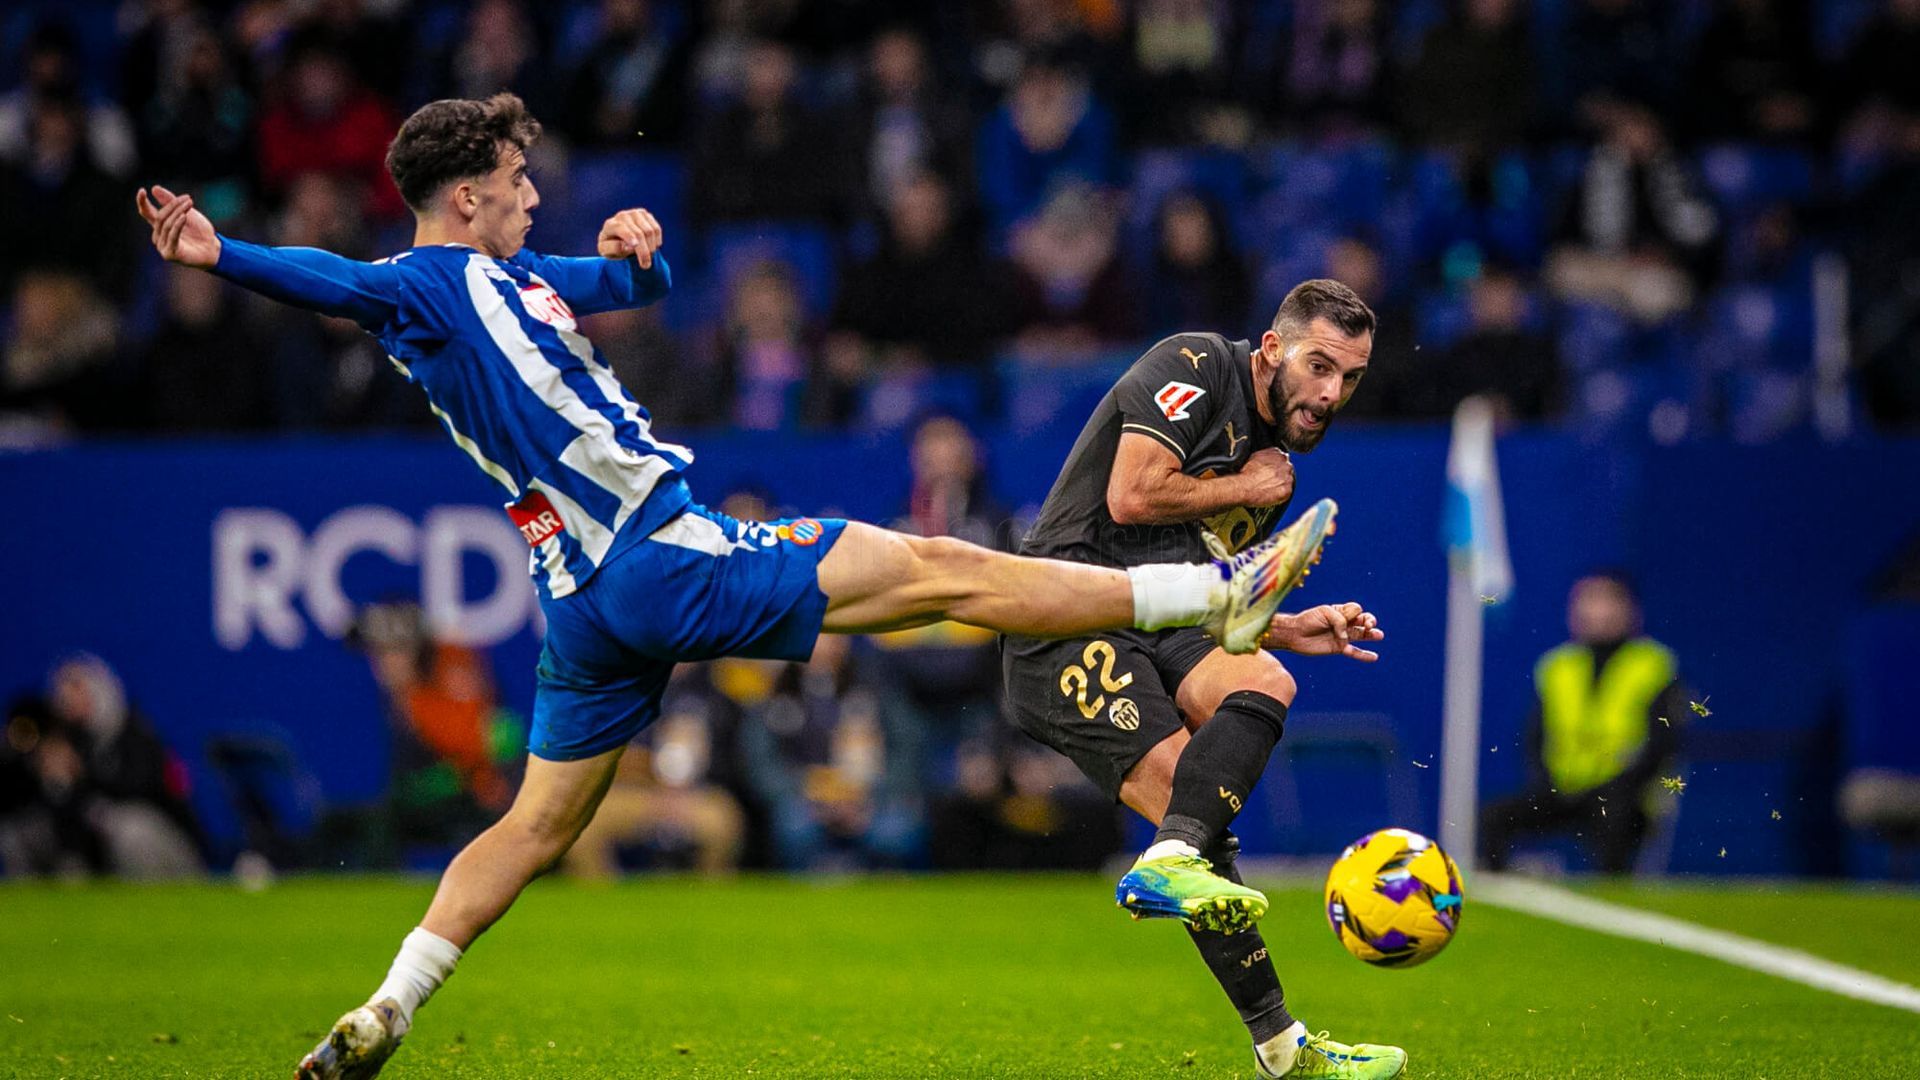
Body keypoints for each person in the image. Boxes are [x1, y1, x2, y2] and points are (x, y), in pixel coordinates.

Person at [134, 91, 1329, 1079]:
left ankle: (388, 1005)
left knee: (537, 825)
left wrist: (637, 253)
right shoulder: (428, 284)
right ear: (464, 199)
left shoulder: (514, 277)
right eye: (515, 180)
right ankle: (1208, 597)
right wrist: (220, 253)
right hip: (658, 551)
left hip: (581, 604)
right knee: (945, 571)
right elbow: (332, 279)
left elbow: (621, 286)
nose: (533, 194)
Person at [1002, 279, 1406, 1079]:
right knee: (1190, 816)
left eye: (1350, 378)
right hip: (1066, 616)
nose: (1331, 393)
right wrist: (1249, 487)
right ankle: (1279, 1039)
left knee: (1264, 692)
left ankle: (1275, 1040)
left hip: (1157, 616)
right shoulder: (1193, 365)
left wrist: (1290, 625)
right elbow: (1131, 495)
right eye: (1319, 366)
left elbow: (1206, 591)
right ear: (1272, 350)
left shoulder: (1274, 466)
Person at [1478, 572, 1689, 874]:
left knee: (1614, 816)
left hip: (1624, 794)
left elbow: (1661, 745)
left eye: (1608, 600)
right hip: (1562, 790)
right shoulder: (1557, 666)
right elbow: (1534, 739)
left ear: (1631, 610)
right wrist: (1547, 784)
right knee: (1493, 816)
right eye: (1588, 600)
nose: (1597, 611)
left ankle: (1613, 894)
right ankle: (1499, 889)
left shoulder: (1654, 664)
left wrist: (1618, 786)